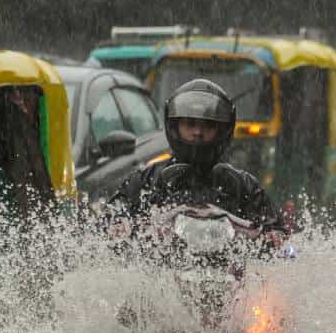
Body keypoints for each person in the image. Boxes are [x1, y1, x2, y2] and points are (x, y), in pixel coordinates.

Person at [106, 78, 288, 247]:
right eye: (190, 124)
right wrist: (125, 227)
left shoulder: (243, 185)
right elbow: (108, 223)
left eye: (208, 125)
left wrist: (266, 237)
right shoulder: (147, 180)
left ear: (223, 130)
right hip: (161, 274)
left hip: (230, 274)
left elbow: (279, 236)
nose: (197, 132)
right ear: (174, 126)